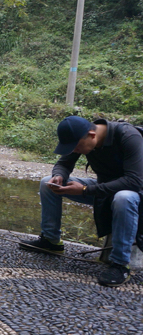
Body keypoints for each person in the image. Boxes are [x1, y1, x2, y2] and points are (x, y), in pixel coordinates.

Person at [19, 116, 143, 287]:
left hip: (135, 194)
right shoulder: (82, 137)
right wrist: (58, 176)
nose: (75, 151)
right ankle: (51, 241)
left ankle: (120, 264)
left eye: (76, 147)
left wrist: (85, 190)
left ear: (92, 135)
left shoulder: (129, 137)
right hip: (104, 189)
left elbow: (134, 181)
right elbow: (63, 164)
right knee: (46, 182)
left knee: (123, 197)